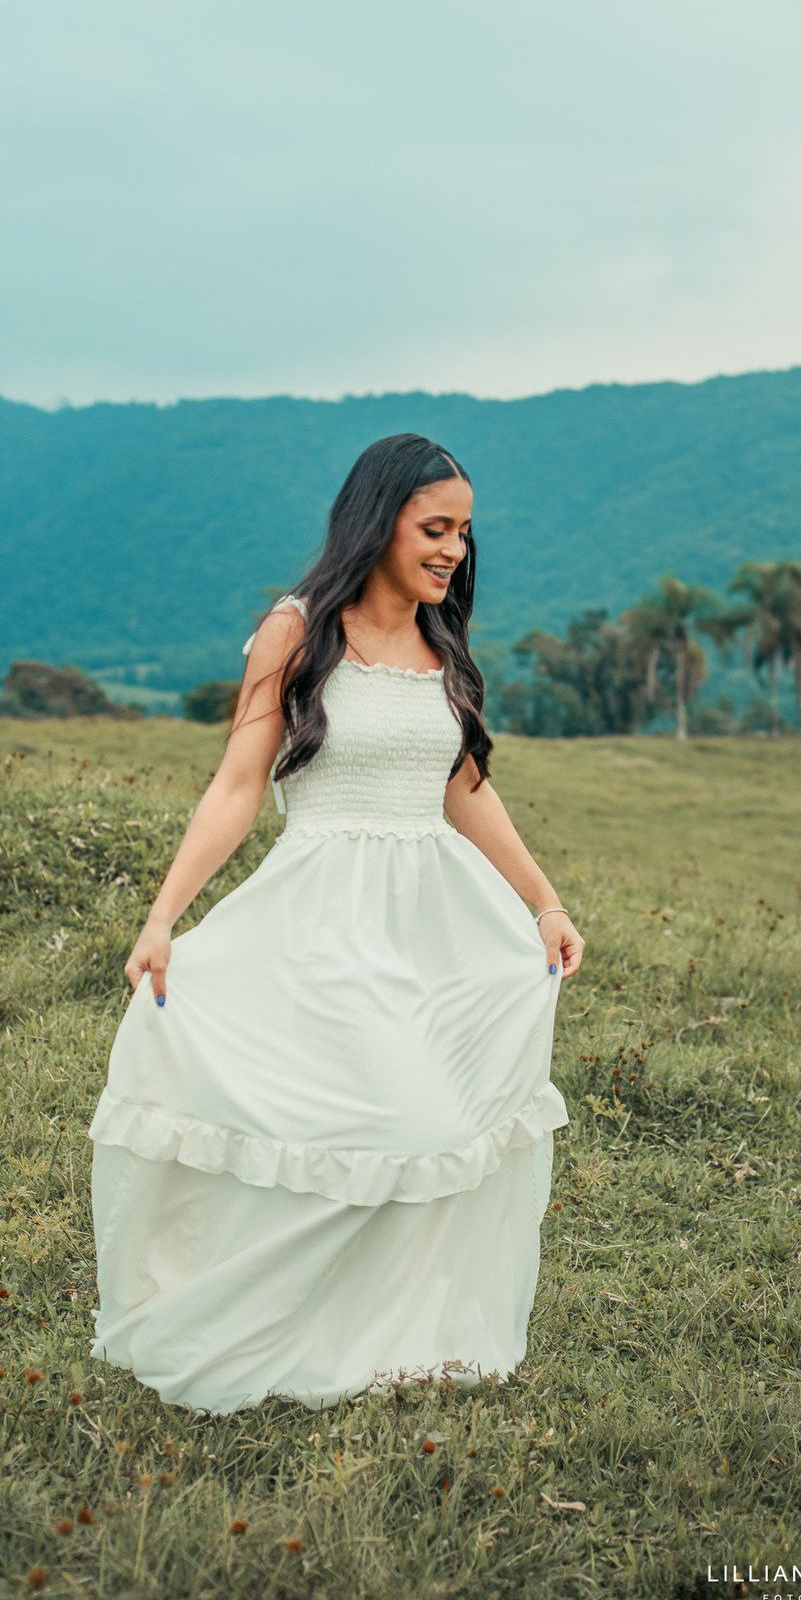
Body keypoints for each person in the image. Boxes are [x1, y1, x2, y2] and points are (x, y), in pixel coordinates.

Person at [87, 433, 585, 1414]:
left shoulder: (443, 641)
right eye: (433, 528)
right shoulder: (299, 629)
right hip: (323, 919)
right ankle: (248, 1316)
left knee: (442, 1126)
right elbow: (237, 784)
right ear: (380, 521)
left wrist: (545, 900)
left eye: (464, 532)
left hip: (438, 925)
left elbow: (466, 788)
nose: (452, 550)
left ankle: (386, 1334)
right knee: (395, 1120)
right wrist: (162, 915)